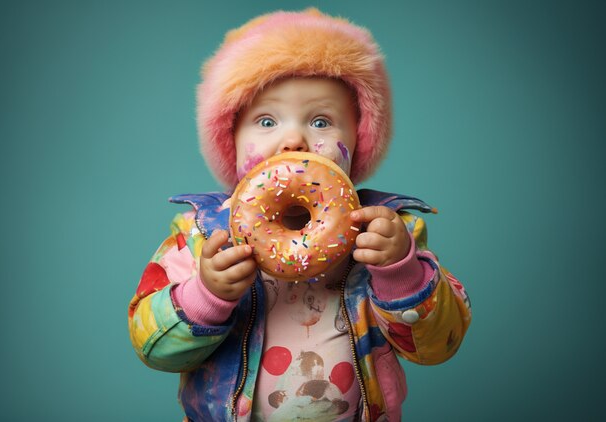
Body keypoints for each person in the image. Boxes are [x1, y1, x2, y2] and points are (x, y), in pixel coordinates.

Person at [128, 8, 471, 422]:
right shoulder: (201, 235)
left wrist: (401, 272)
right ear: (231, 140)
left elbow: (438, 347)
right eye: (267, 120)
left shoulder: (388, 233)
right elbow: (153, 348)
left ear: (357, 141)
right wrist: (207, 295)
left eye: (321, 121)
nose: (293, 139)